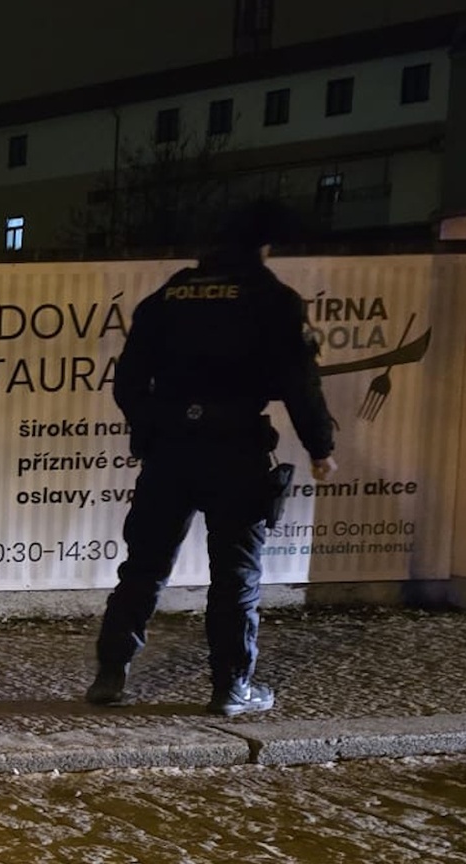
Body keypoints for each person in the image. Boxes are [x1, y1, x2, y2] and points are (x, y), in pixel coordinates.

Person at [86, 198, 337, 718]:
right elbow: (301, 382)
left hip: (171, 451)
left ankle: (110, 675)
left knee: (143, 568)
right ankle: (231, 687)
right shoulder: (272, 299)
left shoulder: (167, 297)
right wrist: (320, 447)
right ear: (261, 248)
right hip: (236, 449)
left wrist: (153, 427)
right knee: (235, 575)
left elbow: (127, 381)